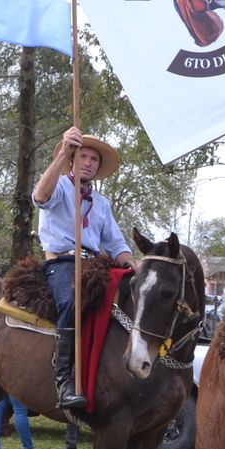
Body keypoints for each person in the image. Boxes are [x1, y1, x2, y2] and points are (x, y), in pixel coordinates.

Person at [33, 126, 134, 413]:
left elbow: (117, 245)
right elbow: (39, 196)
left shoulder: (103, 204)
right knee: (72, 299)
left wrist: (132, 265)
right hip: (62, 262)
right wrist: (64, 150)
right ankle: (64, 381)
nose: (88, 162)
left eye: (94, 159)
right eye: (83, 156)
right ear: (72, 161)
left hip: (94, 264)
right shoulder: (59, 185)